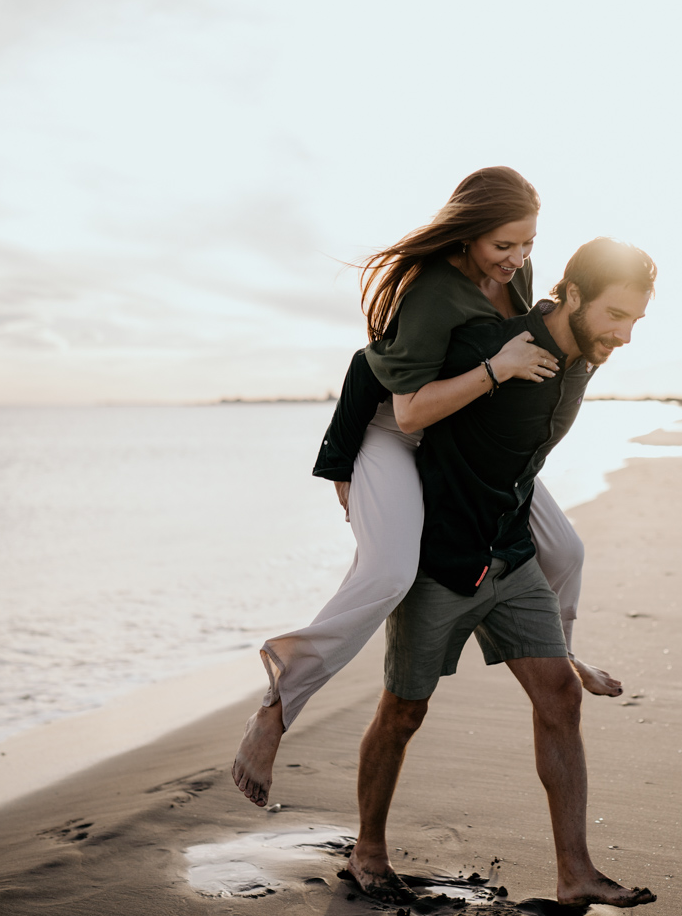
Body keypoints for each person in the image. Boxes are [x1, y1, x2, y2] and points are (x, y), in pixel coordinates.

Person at [233, 168, 621, 808]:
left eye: (527, 244)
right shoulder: (428, 291)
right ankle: (276, 708)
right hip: (399, 431)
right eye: (504, 244)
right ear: (469, 232)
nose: (518, 260)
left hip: (461, 440)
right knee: (387, 573)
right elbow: (395, 396)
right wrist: (339, 457)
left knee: (567, 551)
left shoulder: (513, 275)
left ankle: (564, 657)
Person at [345, 237, 659, 909]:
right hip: (442, 560)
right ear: (570, 296)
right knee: (404, 711)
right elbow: (380, 375)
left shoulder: (586, 354)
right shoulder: (493, 344)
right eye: (614, 315)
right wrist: (342, 471)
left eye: (635, 320)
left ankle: (575, 872)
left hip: (511, 554)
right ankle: (367, 849)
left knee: (559, 695)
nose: (625, 335)